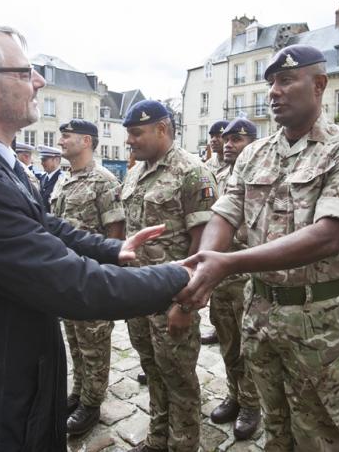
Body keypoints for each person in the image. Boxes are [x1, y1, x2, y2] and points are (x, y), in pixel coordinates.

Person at [0, 16, 195, 451]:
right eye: (24, 71)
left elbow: (40, 223)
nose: (37, 81)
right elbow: (72, 284)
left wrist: (112, 247)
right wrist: (181, 277)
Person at [177, 45, 339, 451]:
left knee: (321, 433)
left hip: (318, 323)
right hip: (260, 316)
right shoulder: (254, 154)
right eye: (271, 83)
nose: (273, 92)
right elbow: (225, 215)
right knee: (276, 427)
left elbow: (330, 234)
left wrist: (228, 264)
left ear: (319, 84)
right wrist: (204, 268)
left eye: (286, 80)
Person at [120, 99, 218, 452]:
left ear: (162, 129)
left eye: (135, 133)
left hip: (172, 302)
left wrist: (186, 307)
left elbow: (203, 248)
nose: (129, 141)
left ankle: (183, 445)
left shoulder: (192, 173)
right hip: (138, 299)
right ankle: (157, 439)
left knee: (179, 381)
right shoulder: (133, 173)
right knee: (153, 373)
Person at [51, 119, 126, 436]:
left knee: (94, 342)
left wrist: (107, 278)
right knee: (75, 341)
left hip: (91, 278)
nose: (61, 141)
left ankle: (92, 403)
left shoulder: (104, 181)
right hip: (66, 276)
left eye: (66, 137)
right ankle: (79, 391)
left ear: (86, 141)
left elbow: (115, 233)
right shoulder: (62, 178)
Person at [207, 117, 261, 440]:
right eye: (226, 139)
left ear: (252, 143)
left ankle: (252, 404)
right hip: (221, 275)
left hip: (248, 276)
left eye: (236, 140)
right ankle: (234, 394)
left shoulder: (261, 174)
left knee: (248, 345)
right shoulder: (217, 174)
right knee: (227, 341)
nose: (228, 144)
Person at [201, 119, 229, 346]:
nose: (214, 139)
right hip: (210, 227)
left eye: (218, 135)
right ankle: (216, 326)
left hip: (231, 233)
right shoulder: (207, 166)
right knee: (214, 286)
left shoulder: (238, 163)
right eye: (211, 135)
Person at [39, 144, 63, 213]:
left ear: (56, 160)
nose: (42, 163)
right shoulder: (43, 177)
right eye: (41, 160)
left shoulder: (61, 179)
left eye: (44, 160)